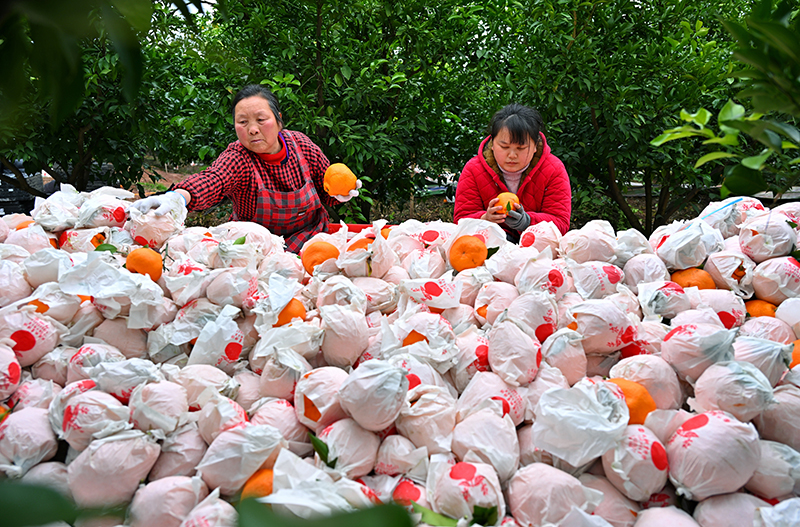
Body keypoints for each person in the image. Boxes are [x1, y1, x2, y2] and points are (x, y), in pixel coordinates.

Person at [132, 85, 360, 253]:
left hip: (313, 243)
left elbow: (326, 189)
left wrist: (340, 194)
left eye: (261, 119)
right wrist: (178, 197)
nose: (252, 129)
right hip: (256, 253)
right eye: (242, 122)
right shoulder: (239, 158)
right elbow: (214, 179)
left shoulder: (301, 145)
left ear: (279, 120)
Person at [453, 103, 571, 240]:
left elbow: (561, 223)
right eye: (504, 147)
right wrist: (485, 218)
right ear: (492, 143)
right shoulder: (474, 169)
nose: (512, 155)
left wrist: (528, 222)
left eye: (521, 148)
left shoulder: (553, 169)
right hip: (489, 246)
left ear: (535, 145)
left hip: (537, 246)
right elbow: (461, 220)